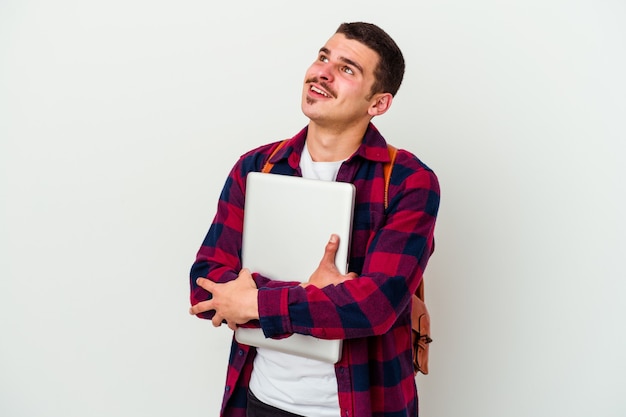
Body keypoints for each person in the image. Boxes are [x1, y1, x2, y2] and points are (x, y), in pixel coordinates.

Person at [189, 22, 440, 417]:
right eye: (323, 57)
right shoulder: (256, 168)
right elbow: (205, 285)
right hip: (260, 400)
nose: (323, 71)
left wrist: (254, 301)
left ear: (378, 104)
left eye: (347, 69)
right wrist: (313, 293)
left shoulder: (410, 181)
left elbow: (376, 306)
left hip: (362, 406)